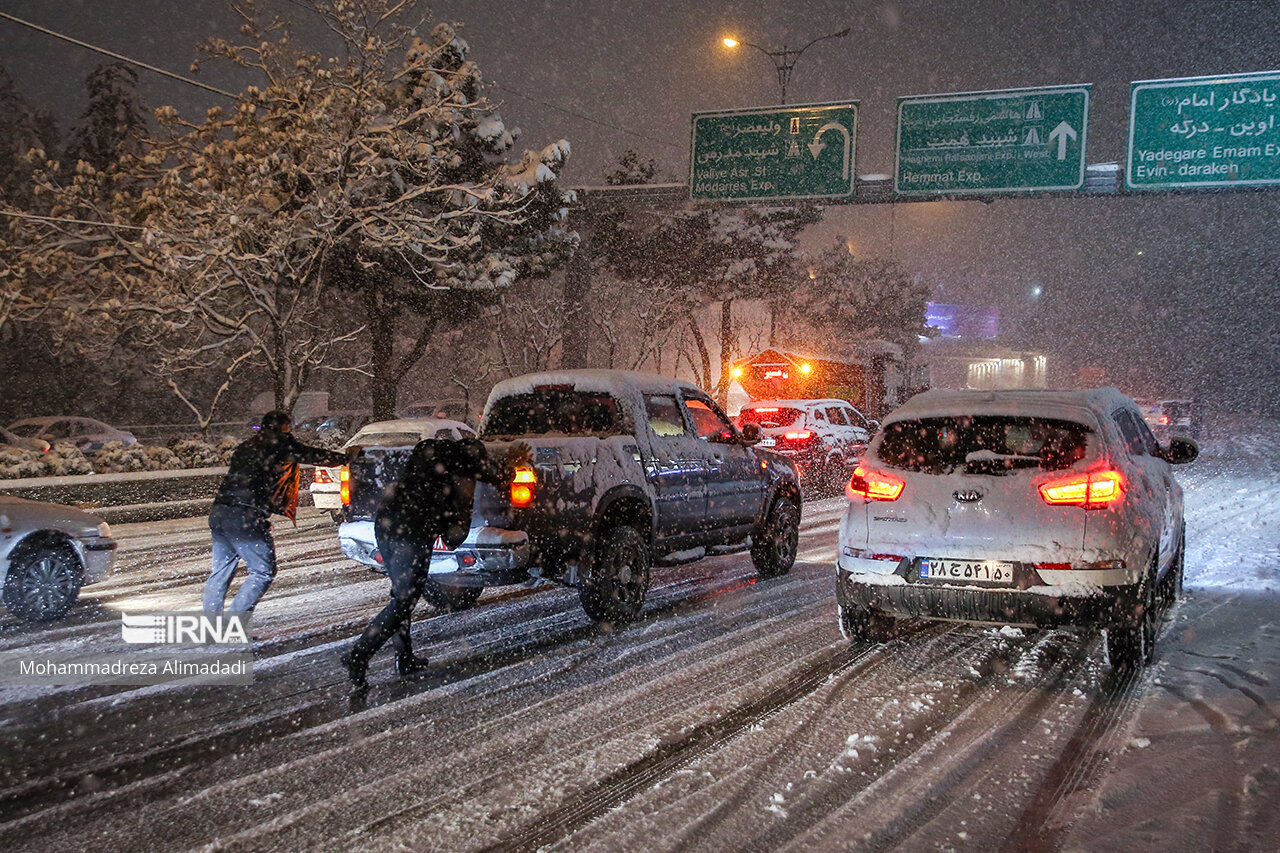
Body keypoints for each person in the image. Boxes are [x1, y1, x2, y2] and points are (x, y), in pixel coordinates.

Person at [341, 437, 527, 690]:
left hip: (387, 521)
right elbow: (497, 478)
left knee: (401, 595)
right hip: (413, 530)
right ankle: (358, 655)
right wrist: (513, 464)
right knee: (404, 599)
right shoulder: (464, 466)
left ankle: (404, 658)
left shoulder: (426, 459)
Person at [203, 410, 356, 613]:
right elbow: (312, 455)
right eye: (288, 426)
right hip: (246, 515)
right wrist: (346, 458)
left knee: (220, 571)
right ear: (283, 427)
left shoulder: (247, 446)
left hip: (220, 512)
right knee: (263, 572)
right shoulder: (279, 445)